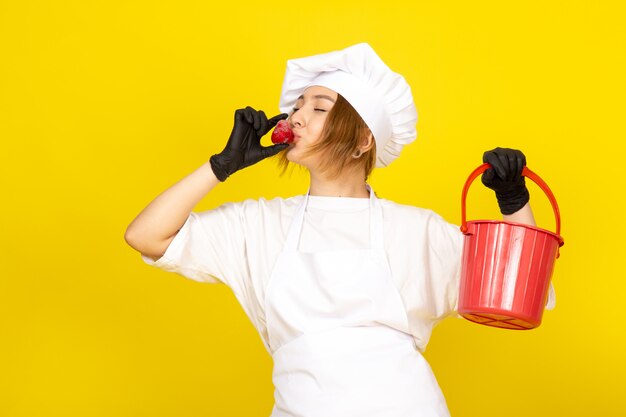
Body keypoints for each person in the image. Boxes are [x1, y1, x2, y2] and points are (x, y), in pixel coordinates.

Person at [124, 43, 554, 417]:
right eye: (297, 106)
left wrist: (514, 202)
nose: (296, 116)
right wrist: (220, 167)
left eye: (319, 107)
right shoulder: (258, 225)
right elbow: (146, 236)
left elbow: (518, 293)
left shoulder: (415, 230)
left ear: (362, 139)